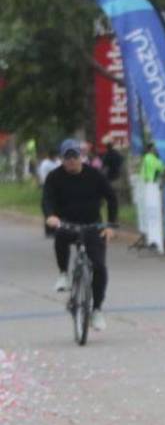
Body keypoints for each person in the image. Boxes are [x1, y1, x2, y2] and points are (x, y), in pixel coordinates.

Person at [42, 139, 119, 331]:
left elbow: (111, 198)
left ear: (81, 157)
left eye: (74, 157)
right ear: (62, 159)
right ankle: (63, 274)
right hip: (67, 223)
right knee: (60, 235)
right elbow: (47, 199)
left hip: (93, 225)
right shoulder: (54, 176)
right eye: (67, 158)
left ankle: (97, 310)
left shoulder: (94, 175)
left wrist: (110, 225)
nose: (71, 161)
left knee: (99, 267)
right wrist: (50, 215)